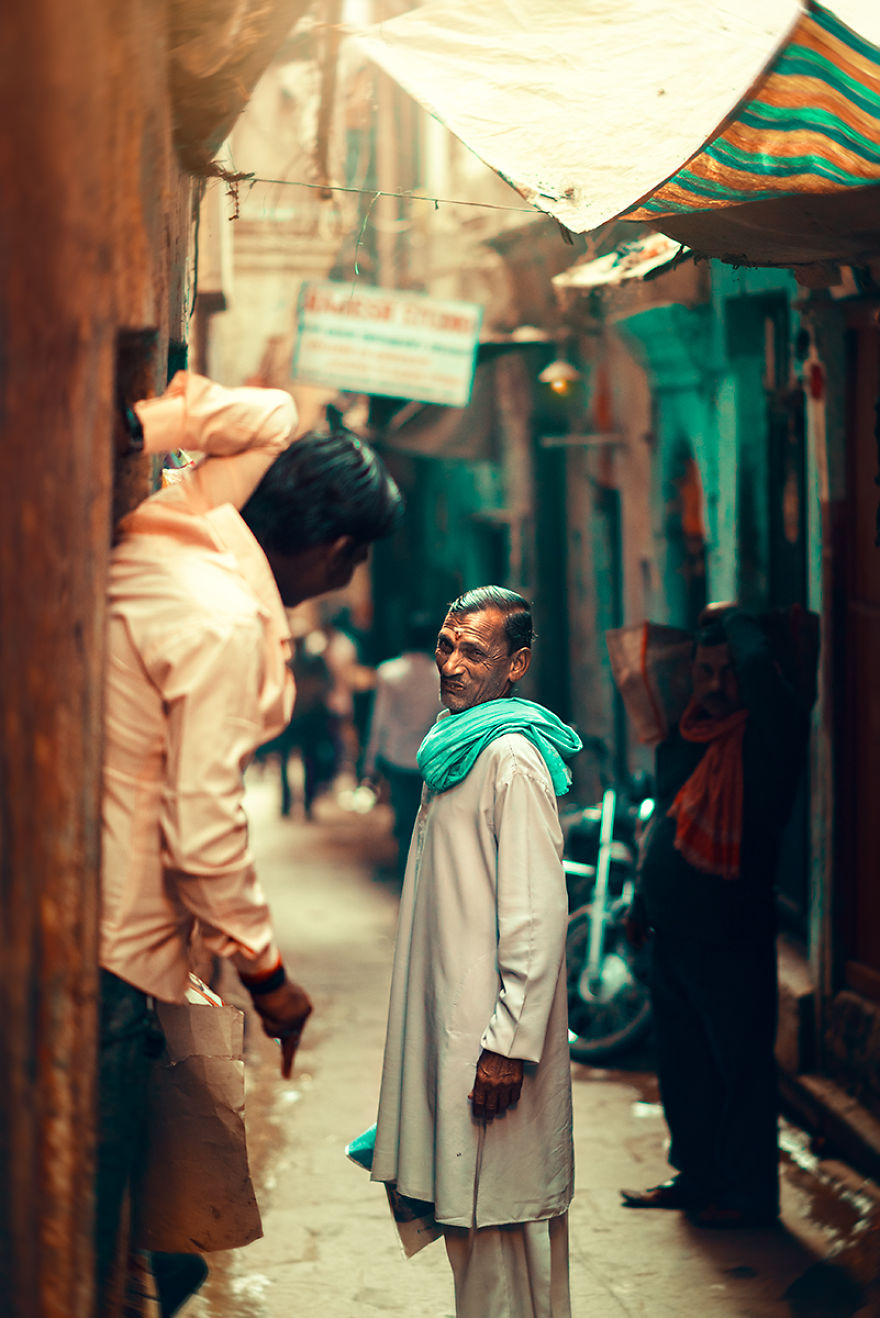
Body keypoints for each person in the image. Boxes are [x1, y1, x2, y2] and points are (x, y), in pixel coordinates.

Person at [99, 371, 403, 1311]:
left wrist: (142, 422)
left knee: (147, 1229)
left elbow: (264, 411)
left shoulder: (186, 516)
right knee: (105, 1198)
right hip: (116, 942)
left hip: (97, 912)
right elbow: (204, 825)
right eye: (351, 563)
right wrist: (269, 975)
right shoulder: (225, 619)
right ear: (341, 550)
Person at [370, 586, 582, 1318]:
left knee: (500, 1236)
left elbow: (536, 919)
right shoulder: (454, 745)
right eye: (446, 645)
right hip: (456, 1031)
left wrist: (508, 1046)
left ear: (516, 664)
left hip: (490, 1051)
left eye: (475, 652)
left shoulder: (510, 758)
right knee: (476, 1234)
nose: (452, 664)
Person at [621, 603, 809, 1229]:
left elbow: (756, 664)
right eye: (704, 670)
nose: (716, 684)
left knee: (741, 1071)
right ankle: (696, 1175)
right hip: (672, 931)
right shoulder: (685, 736)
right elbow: (665, 822)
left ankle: (749, 1193)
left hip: (731, 935)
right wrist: (640, 901)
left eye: (727, 672)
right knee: (683, 1068)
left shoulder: (769, 738)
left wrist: (737, 619)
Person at [362, 611, 441, 876]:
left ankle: (405, 870)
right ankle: (421, 872)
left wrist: (370, 764)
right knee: (426, 818)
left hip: (396, 756)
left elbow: (379, 720)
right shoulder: (441, 676)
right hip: (429, 758)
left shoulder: (389, 673)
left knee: (404, 814)